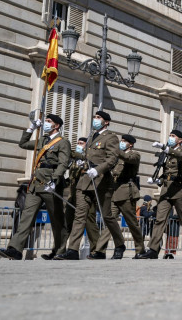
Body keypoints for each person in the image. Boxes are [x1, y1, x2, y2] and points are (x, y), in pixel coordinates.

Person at [0, 114, 70, 260]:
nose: (46, 123)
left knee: (56, 219)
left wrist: (54, 180)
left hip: (50, 184)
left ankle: (59, 250)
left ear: (57, 126)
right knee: (26, 216)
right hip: (35, 184)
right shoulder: (41, 140)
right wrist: (31, 128)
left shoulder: (63, 142)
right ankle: (15, 249)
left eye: (49, 122)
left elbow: (63, 163)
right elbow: (23, 144)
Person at [56, 111, 126, 260]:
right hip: (85, 181)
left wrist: (98, 169)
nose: (95, 120)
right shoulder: (91, 137)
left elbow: (113, 159)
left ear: (106, 122)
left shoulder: (110, 137)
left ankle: (120, 244)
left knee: (107, 216)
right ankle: (73, 250)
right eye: (94, 117)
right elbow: (88, 156)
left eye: (98, 118)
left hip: (101, 181)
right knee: (80, 215)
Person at [139, 130, 182, 259]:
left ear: (180, 140)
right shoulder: (167, 154)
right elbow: (167, 173)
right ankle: (153, 249)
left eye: (173, 136)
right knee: (159, 219)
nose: (170, 138)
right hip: (166, 191)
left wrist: (166, 148)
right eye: (170, 136)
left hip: (179, 190)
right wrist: (158, 180)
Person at [90, 134, 145, 259]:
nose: (122, 142)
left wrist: (115, 150)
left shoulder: (134, 154)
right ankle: (100, 250)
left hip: (126, 191)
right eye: (122, 140)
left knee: (131, 222)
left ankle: (140, 249)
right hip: (114, 191)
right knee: (110, 221)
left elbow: (127, 157)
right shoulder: (116, 156)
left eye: (124, 141)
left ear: (130, 144)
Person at [65, 137, 99, 253]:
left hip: (85, 192)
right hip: (73, 192)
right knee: (67, 220)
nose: (79, 145)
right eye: (78, 143)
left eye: (81, 143)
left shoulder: (89, 157)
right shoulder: (74, 159)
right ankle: (59, 250)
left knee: (90, 222)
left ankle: (96, 250)